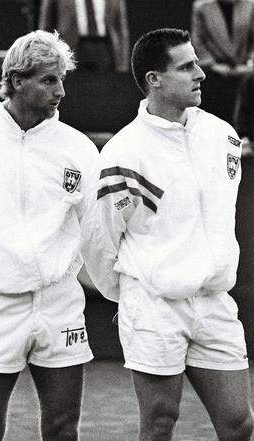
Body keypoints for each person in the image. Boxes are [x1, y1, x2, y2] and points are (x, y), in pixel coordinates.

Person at [0, 30, 103, 441]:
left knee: (64, 429)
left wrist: (56, 276)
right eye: (49, 80)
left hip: (60, 305)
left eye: (62, 79)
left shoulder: (79, 149)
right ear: (15, 80)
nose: (61, 91)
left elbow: (93, 230)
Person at [94, 28, 253, 440]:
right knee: (160, 423)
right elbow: (100, 244)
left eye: (197, 63)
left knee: (239, 425)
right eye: (187, 67)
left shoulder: (223, 136)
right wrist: (137, 291)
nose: (201, 74)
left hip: (215, 302)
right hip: (154, 307)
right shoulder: (122, 154)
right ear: (154, 79)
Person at [38, 0, 130, 72]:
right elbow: (46, 28)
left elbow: (121, 29)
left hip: (104, 49)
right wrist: (46, 63)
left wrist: (122, 64)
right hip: (68, 49)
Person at [191, 0, 254, 78]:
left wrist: (250, 64)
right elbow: (198, 41)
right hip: (213, 72)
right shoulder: (201, 6)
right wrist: (213, 65)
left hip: (247, 71)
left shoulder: (251, 4)